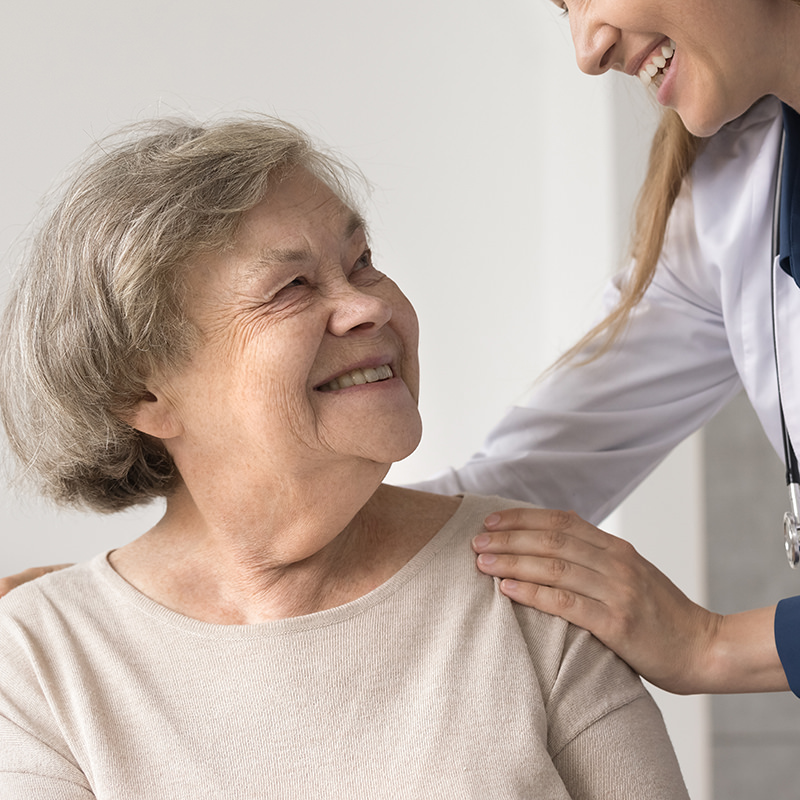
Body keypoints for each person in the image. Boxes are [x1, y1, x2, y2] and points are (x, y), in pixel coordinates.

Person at [0, 116, 689, 798]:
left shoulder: (534, 584)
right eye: (292, 288)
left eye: (361, 262)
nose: (368, 306)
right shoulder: (40, 658)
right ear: (143, 391)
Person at [416, 0, 800, 697]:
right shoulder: (737, 188)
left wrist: (713, 648)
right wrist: (309, 532)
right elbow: (540, 470)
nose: (585, 50)